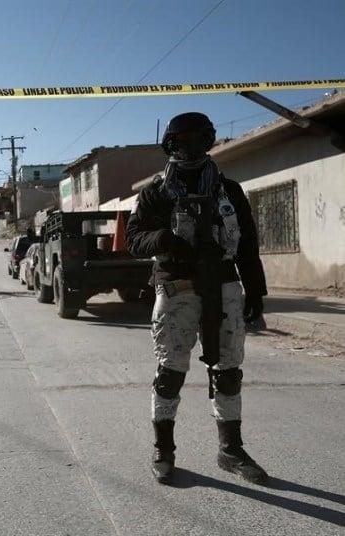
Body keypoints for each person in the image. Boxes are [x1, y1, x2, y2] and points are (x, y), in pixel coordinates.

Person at [126, 112, 268, 485]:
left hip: (224, 286)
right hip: (177, 287)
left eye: (196, 139)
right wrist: (164, 239)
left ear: (208, 142)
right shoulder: (155, 193)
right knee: (170, 371)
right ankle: (164, 449)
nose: (189, 146)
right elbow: (134, 239)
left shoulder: (230, 191)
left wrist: (255, 291)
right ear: (170, 145)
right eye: (181, 140)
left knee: (229, 372)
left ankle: (230, 450)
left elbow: (248, 247)